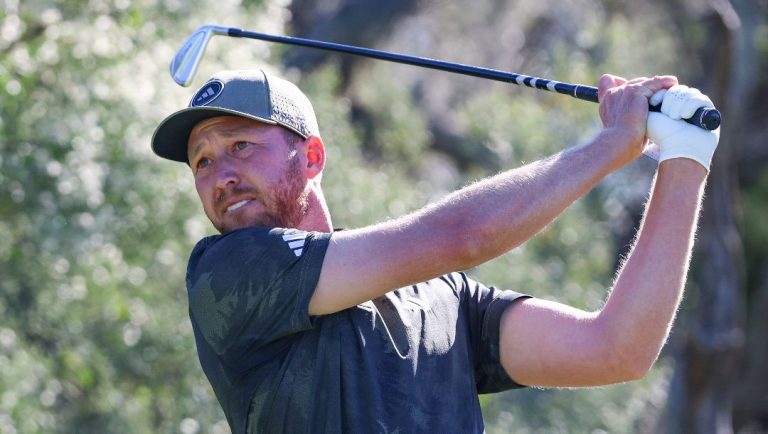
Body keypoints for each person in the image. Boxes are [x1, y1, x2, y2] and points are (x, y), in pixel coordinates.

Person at [151, 69, 719, 433]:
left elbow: (617, 350)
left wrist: (685, 159)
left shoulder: (442, 298)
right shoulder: (226, 273)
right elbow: (461, 238)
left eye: (241, 145)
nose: (220, 174)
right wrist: (613, 144)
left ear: (314, 157)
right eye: (202, 161)